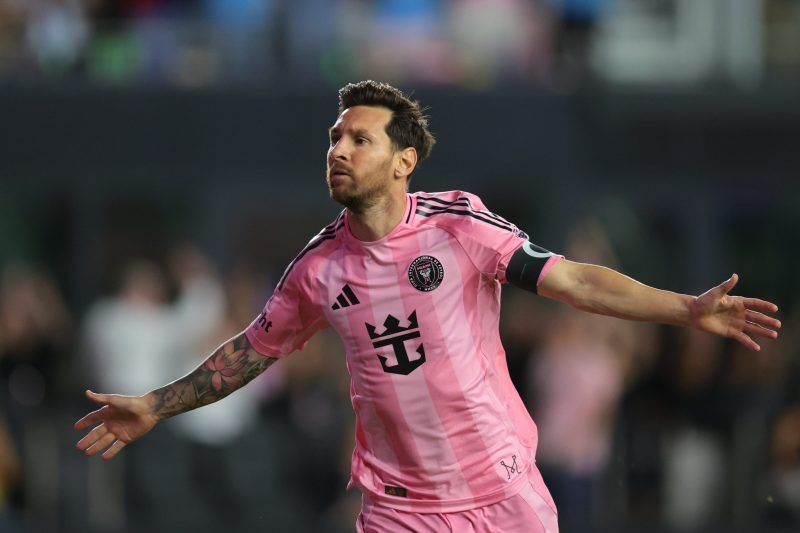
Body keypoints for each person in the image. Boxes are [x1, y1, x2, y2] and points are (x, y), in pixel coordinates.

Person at [75, 80, 781, 533]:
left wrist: (686, 310)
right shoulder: (317, 269)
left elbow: (574, 282)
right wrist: (156, 405)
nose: (339, 150)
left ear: (404, 162)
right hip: (399, 511)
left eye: (360, 139)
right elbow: (249, 352)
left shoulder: (459, 227)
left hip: (500, 494)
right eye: (334, 138)